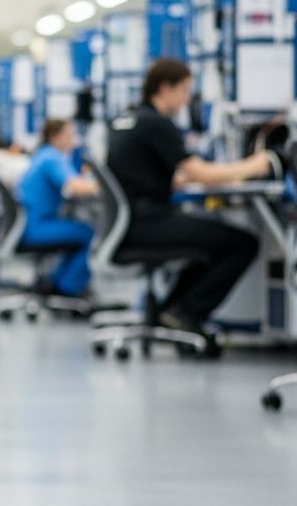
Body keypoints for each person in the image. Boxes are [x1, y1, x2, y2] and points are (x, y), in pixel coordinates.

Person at [107, 58, 275, 338]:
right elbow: (201, 173)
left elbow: (150, 174)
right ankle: (186, 312)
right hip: (149, 223)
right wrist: (256, 166)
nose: (187, 100)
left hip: (131, 223)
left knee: (208, 245)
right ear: (165, 88)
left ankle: (171, 310)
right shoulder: (157, 124)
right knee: (242, 243)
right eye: (184, 91)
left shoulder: (129, 119)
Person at [17, 118, 99, 298]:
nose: (72, 141)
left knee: (80, 232)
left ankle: (60, 282)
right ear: (54, 137)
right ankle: (67, 289)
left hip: (31, 224)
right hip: (38, 227)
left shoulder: (42, 154)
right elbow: (75, 186)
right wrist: (108, 186)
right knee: (90, 235)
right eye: (68, 135)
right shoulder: (52, 157)